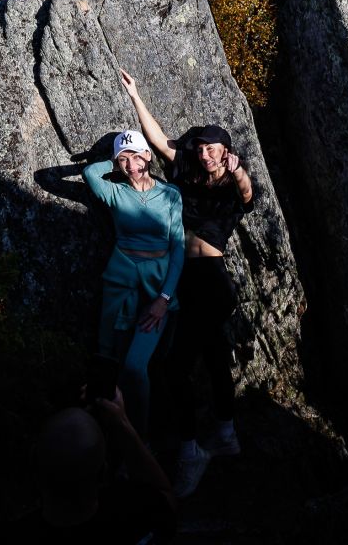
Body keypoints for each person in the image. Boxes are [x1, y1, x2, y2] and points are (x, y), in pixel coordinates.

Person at [119, 67, 256, 498]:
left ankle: (190, 448)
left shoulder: (231, 187)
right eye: (203, 147)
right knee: (215, 355)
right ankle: (227, 432)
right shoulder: (187, 172)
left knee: (177, 366)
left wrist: (236, 172)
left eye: (216, 148)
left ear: (226, 152)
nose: (208, 153)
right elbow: (159, 140)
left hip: (212, 282)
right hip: (183, 279)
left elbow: (249, 195)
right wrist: (136, 92)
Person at [81, 128, 184, 438]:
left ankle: (141, 436)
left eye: (136, 156)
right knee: (111, 361)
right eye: (123, 159)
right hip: (121, 283)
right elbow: (88, 172)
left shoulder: (169, 194)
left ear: (148, 156)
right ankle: (115, 435)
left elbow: (178, 248)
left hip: (157, 288)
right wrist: (113, 163)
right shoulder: (114, 192)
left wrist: (164, 298)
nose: (130, 164)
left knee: (135, 367)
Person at [0, 389, 176, 543]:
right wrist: (122, 423)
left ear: (34, 469)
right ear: (103, 473)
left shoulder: (5, 538)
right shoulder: (135, 516)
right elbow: (164, 495)